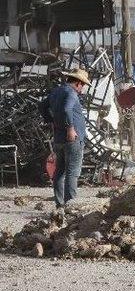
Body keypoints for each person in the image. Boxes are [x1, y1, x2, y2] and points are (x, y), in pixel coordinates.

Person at [39, 68, 91, 208]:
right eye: (83, 86)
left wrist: (50, 120)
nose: (82, 89)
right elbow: (67, 109)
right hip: (72, 139)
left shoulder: (57, 91)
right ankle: (70, 205)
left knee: (59, 171)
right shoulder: (71, 93)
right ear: (78, 83)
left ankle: (60, 204)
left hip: (59, 138)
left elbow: (42, 106)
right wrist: (70, 128)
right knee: (72, 172)